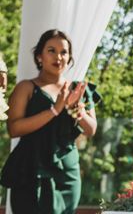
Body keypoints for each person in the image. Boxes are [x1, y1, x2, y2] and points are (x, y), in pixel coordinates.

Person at [1, 29, 100, 214]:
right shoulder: (26, 87)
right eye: (51, 50)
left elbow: (91, 129)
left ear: (70, 58)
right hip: (30, 170)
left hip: (67, 173)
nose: (59, 57)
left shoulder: (78, 89)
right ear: (39, 56)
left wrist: (75, 109)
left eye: (64, 52)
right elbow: (13, 129)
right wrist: (55, 109)